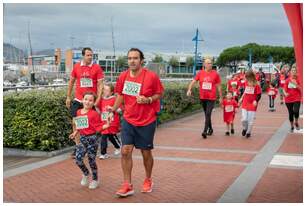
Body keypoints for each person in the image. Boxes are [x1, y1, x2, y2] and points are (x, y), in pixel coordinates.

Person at [108, 48, 164, 197]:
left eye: (135, 58)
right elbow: (120, 95)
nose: (132, 61)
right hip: (128, 119)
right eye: (129, 58)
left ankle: (148, 179)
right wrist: (113, 109)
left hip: (147, 120)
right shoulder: (123, 76)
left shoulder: (151, 76)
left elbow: (159, 93)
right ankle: (127, 184)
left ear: (141, 60)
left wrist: (148, 100)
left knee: (146, 152)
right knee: (125, 151)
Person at [66, 47, 104, 158]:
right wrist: (68, 96)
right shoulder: (77, 66)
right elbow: (71, 81)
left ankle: (91, 145)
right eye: (88, 55)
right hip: (79, 99)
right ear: (83, 55)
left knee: (91, 125)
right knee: (75, 123)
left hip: (90, 101)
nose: (90, 57)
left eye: (91, 55)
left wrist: (97, 100)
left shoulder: (96, 67)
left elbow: (101, 85)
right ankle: (79, 147)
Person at [69, 92, 110, 189]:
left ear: (93, 102)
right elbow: (79, 125)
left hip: (92, 139)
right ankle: (86, 173)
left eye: (90, 100)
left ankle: (95, 179)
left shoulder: (94, 114)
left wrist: (106, 125)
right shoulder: (78, 112)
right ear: (82, 100)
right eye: (86, 99)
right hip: (82, 139)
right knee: (78, 159)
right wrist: (75, 133)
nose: (87, 102)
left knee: (91, 160)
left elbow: (98, 127)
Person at [187, 57, 222, 138]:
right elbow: (193, 81)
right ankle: (211, 128)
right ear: (204, 65)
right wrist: (189, 89)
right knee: (207, 114)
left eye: (211, 63)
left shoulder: (215, 74)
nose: (210, 64)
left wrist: (220, 97)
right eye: (208, 63)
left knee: (208, 113)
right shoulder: (200, 73)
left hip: (211, 98)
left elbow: (219, 87)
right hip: (203, 97)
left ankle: (204, 131)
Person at [98, 83, 121, 159]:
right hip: (104, 121)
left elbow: (119, 109)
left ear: (111, 92)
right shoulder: (101, 99)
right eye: (104, 90)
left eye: (107, 90)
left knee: (111, 136)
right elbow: (98, 109)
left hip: (112, 121)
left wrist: (112, 108)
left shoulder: (115, 99)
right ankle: (103, 153)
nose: (105, 91)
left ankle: (118, 146)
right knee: (104, 136)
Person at [239, 70, 262, 138]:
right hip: (245, 102)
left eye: (248, 77)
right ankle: (245, 128)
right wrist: (241, 98)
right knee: (244, 119)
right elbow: (245, 91)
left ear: (251, 77)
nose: (247, 79)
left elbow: (259, 95)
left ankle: (248, 132)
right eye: (246, 77)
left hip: (252, 104)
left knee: (250, 120)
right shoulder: (246, 83)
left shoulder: (257, 84)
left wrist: (256, 100)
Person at [283, 66, 302, 132]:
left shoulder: (298, 79)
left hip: (297, 98)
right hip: (288, 99)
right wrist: (285, 93)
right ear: (290, 72)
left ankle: (296, 122)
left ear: (296, 72)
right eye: (292, 71)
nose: (293, 72)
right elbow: (284, 89)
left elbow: (301, 89)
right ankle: (291, 126)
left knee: (296, 111)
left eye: (295, 71)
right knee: (290, 113)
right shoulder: (287, 80)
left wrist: (296, 85)